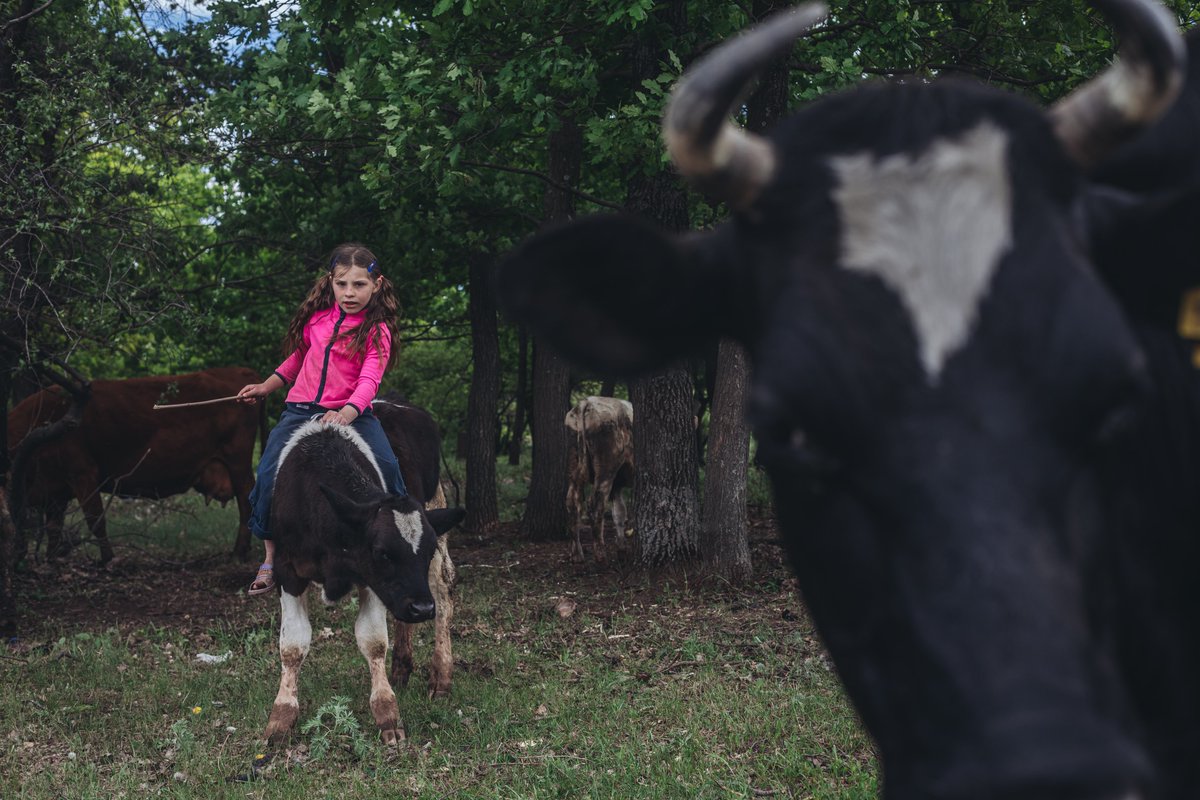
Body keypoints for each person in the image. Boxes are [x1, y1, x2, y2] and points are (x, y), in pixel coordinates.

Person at [236, 242, 407, 596]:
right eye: (342, 283)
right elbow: (297, 360)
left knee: (388, 467)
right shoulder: (317, 320)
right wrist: (266, 387)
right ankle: (270, 556)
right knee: (268, 473)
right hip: (299, 410)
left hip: (352, 414)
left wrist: (346, 412)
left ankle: (402, 537)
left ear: (376, 285)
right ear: (330, 281)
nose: (349, 293)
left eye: (359, 285)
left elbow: (369, 380)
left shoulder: (377, 330)